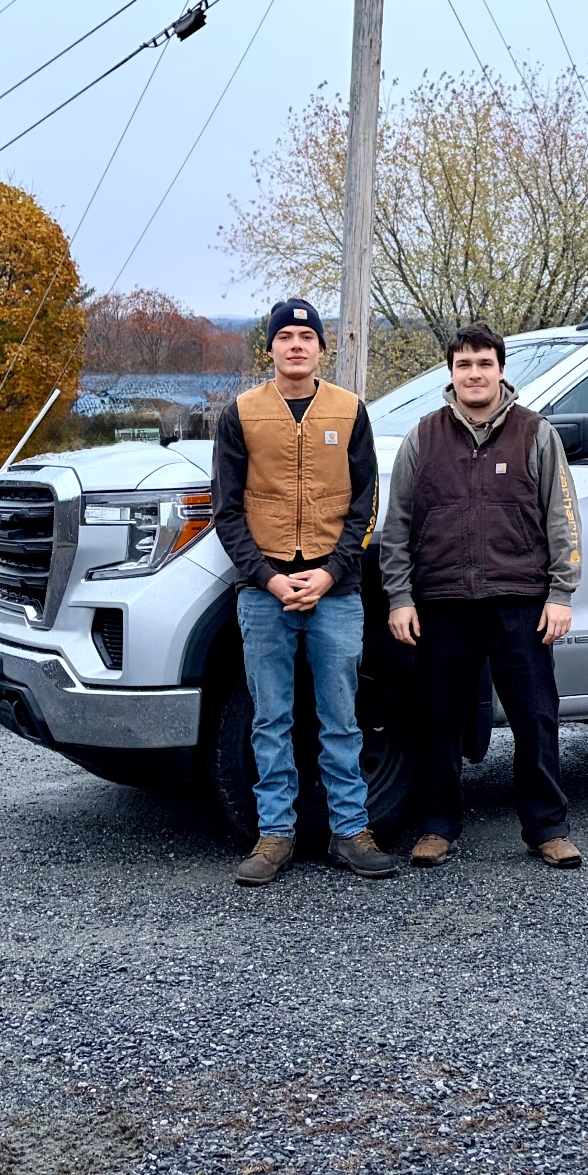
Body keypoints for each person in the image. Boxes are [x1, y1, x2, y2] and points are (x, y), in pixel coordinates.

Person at [380, 323, 584, 869]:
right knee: (437, 718)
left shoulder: (535, 433)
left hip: (519, 601)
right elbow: (395, 526)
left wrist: (560, 593)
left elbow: (563, 518)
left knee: (535, 716)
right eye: (464, 364)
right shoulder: (423, 437)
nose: (475, 374)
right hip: (441, 603)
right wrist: (399, 597)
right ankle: (437, 826)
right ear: (451, 373)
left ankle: (547, 827)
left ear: (500, 369)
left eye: (484, 364)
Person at [211, 298, 400, 885]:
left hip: (335, 591)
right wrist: (268, 578)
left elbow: (363, 505)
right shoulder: (240, 414)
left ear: (322, 348)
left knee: (341, 718)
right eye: (285, 336)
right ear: (268, 347)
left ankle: (351, 832)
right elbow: (227, 512)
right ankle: (274, 837)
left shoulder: (349, 411)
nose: (296, 345)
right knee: (270, 719)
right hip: (263, 593)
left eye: (306, 336)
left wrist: (329, 573)